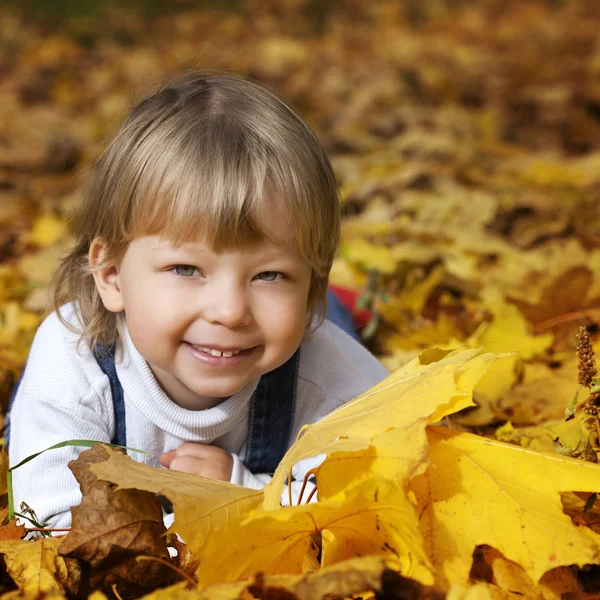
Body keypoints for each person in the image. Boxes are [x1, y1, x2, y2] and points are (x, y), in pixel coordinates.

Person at [7, 72, 388, 529]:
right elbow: (47, 522)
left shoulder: (331, 372)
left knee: (337, 328)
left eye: (270, 274)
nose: (229, 311)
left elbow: (369, 499)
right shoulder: (73, 360)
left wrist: (242, 493)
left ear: (311, 284)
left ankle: (342, 305)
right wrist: (207, 529)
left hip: (318, 337)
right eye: (186, 269)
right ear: (111, 276)